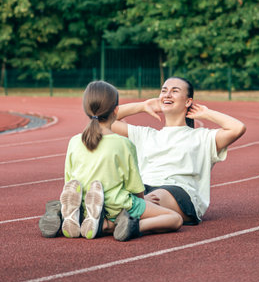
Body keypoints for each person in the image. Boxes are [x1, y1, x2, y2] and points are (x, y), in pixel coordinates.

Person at [39, 80, 182, 241]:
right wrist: (143, 201)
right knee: (175, 219)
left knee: (77, 196)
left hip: (84, 203)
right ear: (116, 110)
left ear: (86, 109)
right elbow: (133, 185)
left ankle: (70, 216)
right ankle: (119, 225)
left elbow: (70, 181)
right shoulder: (123, 144)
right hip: (117, 206)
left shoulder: (74, 141)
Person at [111, 76, 246, 224]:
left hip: (179, 193)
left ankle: (117, 215)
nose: (167, 94)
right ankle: (112, 222)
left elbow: (237, 128)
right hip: (143, 190)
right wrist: (143, 106)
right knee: (118, 189)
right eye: (164, 91)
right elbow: (104, 120)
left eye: (174, 91)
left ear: (188, 101)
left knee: (153, 196)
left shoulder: (203, 137)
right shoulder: (146, 134)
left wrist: (205, 112)